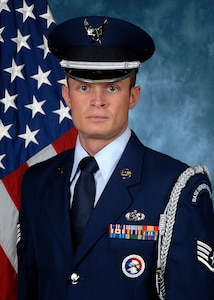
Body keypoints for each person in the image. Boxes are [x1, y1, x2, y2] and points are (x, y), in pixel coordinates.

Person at [17, 16, 214, 300]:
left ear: (133, 96)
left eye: (112, 87)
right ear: (66, 96)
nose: (98, 101)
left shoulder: (177, 188)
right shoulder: (36, 182)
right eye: (84, 87)